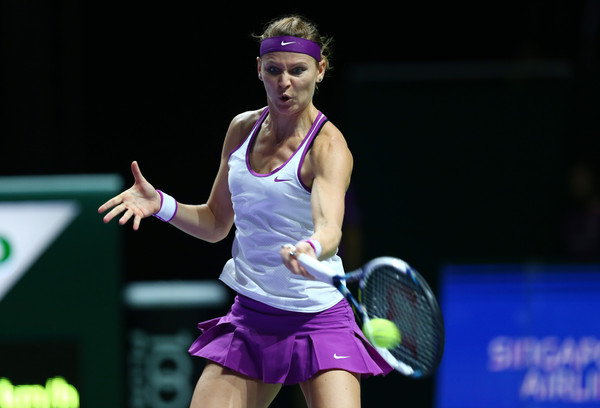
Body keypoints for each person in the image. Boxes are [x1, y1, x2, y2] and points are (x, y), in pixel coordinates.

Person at [98, 14, 392, 408]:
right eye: (273, 70)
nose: (284, 83)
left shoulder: (329, 147)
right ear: (259, 69)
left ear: (320, 71)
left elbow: (330, 229)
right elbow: (218, 223)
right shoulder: (241, 130)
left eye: (297, 71)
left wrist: (310, 247)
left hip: (318, 319)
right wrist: (162, 205)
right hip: (252, 317)